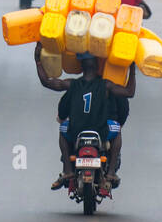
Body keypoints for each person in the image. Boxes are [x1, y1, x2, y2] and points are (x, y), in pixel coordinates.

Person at [34, 44, 135, 189]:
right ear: (97, 64)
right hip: (101, 131)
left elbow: (47, 82)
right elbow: (129, 92)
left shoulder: (72, 84)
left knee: (63, 128)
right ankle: (111, 172)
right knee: (117, 129)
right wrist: (132, 68)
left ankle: (67, 170)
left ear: (81, 65)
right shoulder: (105, 85)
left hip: (76, 132)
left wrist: (38, 60)